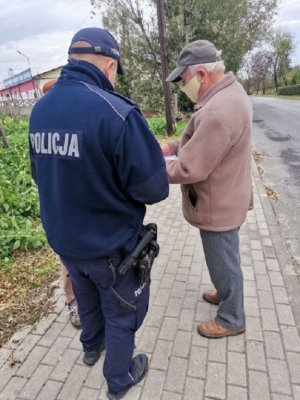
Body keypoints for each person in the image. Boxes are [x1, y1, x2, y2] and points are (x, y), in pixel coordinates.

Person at [29, 27, 169, 399]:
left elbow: (38, 174)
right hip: (111, 247)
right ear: (110, 66)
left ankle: (91, 347)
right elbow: (154, 188)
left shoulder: (39, 110)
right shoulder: (117, 113)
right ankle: (119, 379)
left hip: (66, 241)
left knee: (87, 299)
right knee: (122, 313)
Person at [161, 40, 253, 339]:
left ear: (201, 74)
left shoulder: (217, 111)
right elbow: (200, 143)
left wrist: (151, 169)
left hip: (218, 203)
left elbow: (190, 168)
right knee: (224, 257)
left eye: (183, 79)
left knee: (223, 259)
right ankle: (225, 291)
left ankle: (231, 317)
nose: (181, 86)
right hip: (228, 194)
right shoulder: (229, 93)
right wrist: (171, 147)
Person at [41, 79, 81, 329]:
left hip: (76, 208)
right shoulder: (43, 127)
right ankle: (72, 301)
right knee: (67, 261)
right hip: (62, 209)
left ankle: (84, 299)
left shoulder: (74, 125)